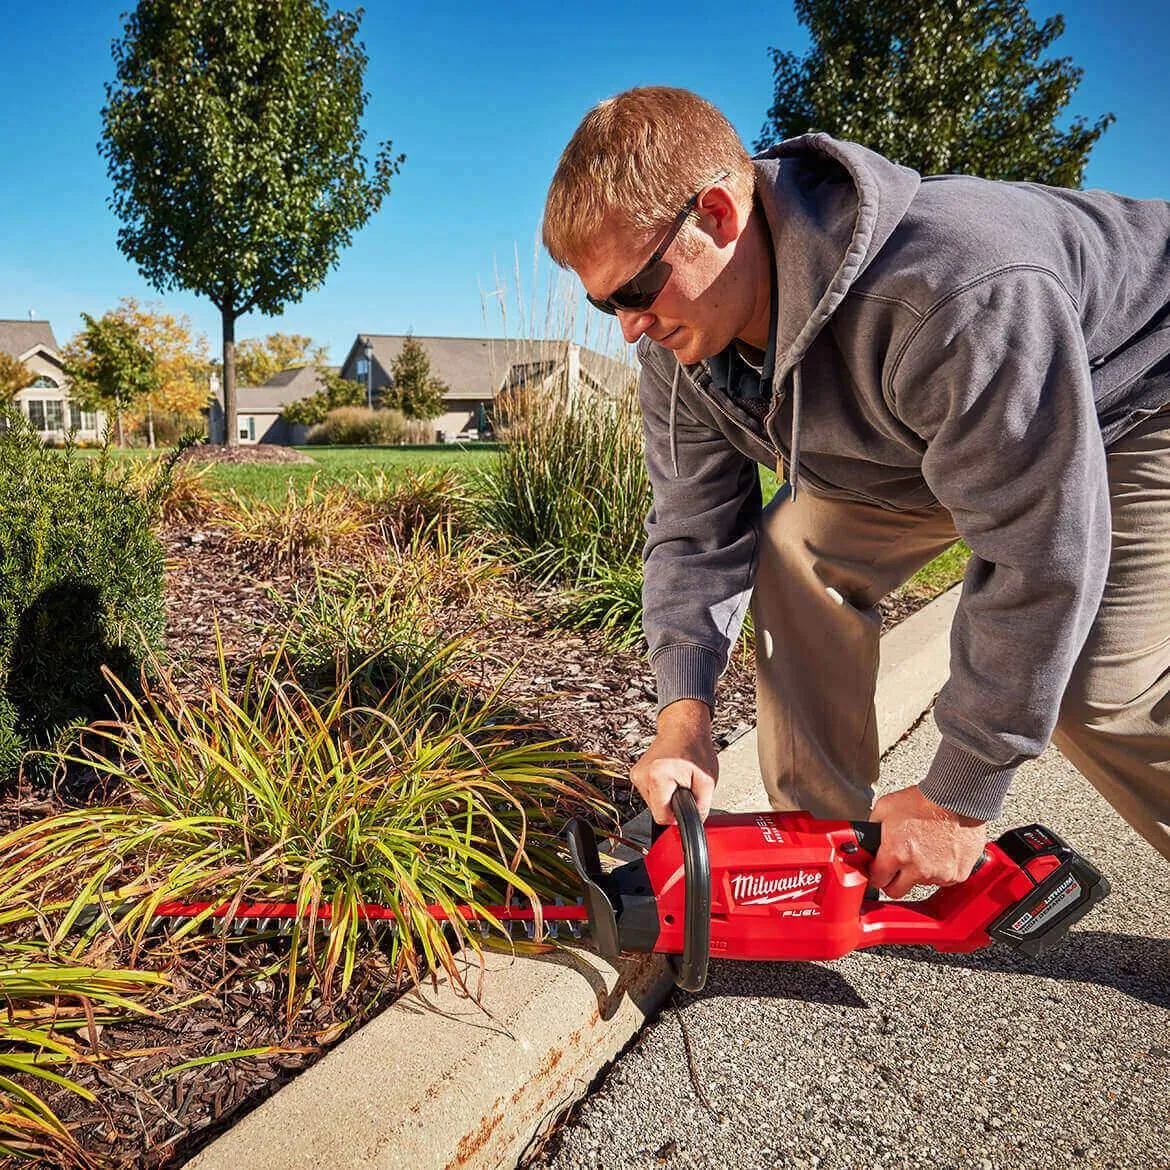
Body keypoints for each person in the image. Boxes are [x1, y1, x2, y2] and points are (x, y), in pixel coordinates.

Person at [541, 86, 1170, 897]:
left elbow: (1040, 548)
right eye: (605, 304)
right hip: (933, 437)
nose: (627, 326)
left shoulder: (953, 289)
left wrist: (957, 794)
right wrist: (684, 720)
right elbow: (696, 530)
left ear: (720, 217)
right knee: (795, 553)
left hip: (1131, 394)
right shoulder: (679, 348)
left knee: (1096, 688)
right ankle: (816, 861)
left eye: (635, 291)